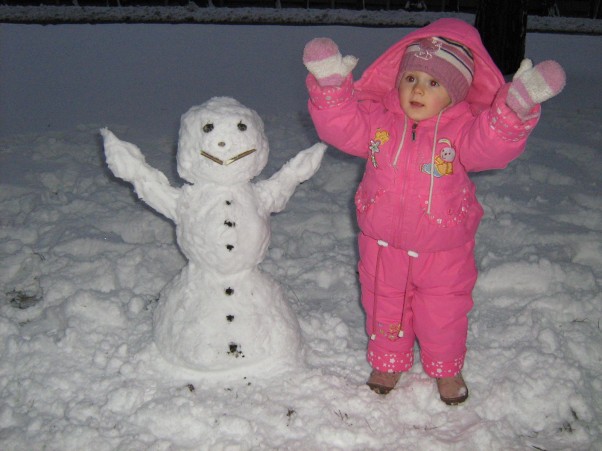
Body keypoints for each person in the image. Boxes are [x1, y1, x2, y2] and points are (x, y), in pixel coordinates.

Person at [302, 18, 565, 405]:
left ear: (456, 94)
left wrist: (514, 108)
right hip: (383, 245)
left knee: (442, 314)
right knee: (383, 305)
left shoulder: (463, 131)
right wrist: (332, 89)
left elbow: (491, 145)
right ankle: (388, 361)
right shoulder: (379, 123)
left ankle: (446, 368)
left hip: (443, 250)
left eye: (434, 83)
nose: (418, 90)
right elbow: (341, 127)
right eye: (411, 79)